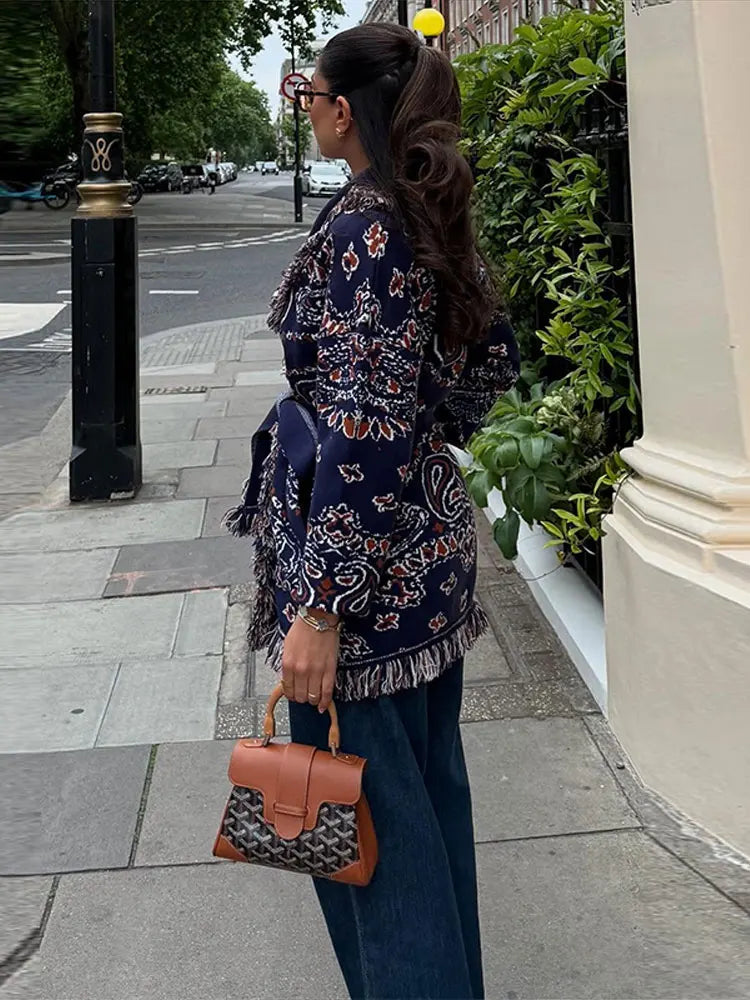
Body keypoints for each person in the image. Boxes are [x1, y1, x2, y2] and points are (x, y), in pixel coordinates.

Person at [227, 22, 519, 1000]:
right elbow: (488, 372)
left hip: (366, 600)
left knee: (376, 866)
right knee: (424, 827)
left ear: (344, 111)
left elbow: (363, 426)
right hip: (427, 570)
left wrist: (320, 610)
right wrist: (426, 427)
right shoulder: (425, 212)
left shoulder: (366, 227)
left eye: (310, 94)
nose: (308, 109)